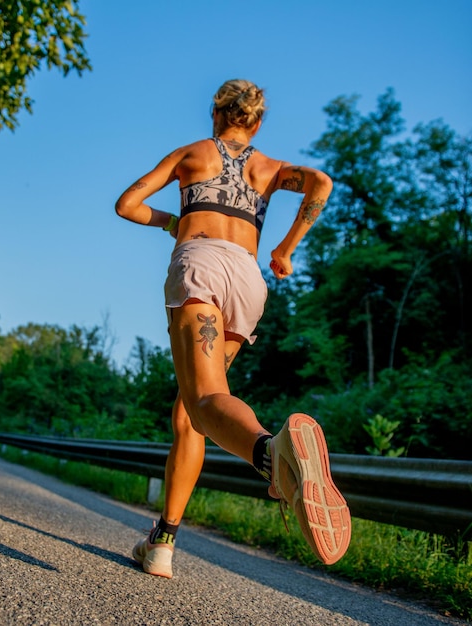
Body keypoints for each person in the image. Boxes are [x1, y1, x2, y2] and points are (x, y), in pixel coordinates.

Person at [115, 79, 351, 578]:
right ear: (257, 122)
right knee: (191, 411)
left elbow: (127, 204)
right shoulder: (269, 168)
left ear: (215, 114)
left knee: (203, 402)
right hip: (247, 279)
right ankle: (162, 540)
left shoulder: (192, 153)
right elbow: (321, 183)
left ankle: (273, 455)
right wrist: (286, 249)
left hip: (201, 263)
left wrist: (170, 222)